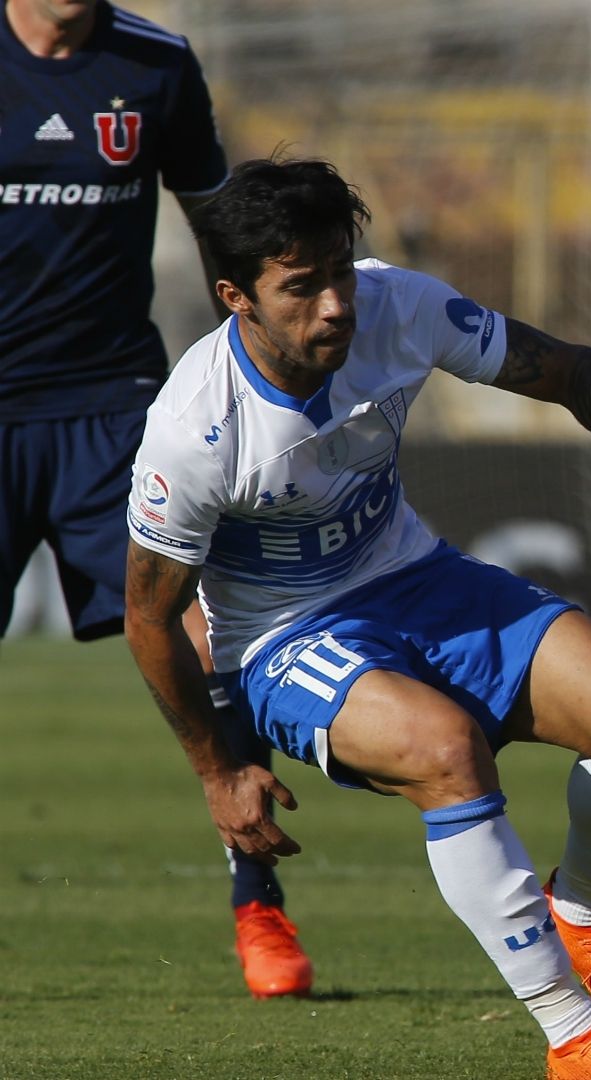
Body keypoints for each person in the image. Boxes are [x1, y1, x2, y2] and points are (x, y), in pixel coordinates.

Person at [123, 157, 591, 1080]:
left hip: (420, 577)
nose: (336, 305)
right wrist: (219, 771)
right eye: (300, 288)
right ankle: (574, 1036)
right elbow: (149, 618)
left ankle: (582, 914)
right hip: (285, 638)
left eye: (339, 272)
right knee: (444, 749)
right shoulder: (194, 432)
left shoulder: (401, 305)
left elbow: (564, 368)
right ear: (238, 297)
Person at [0, 0, 314, 998]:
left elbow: (224, 230)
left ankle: (258, 901)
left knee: (207, 634)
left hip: (113, 407)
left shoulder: (156, 64)